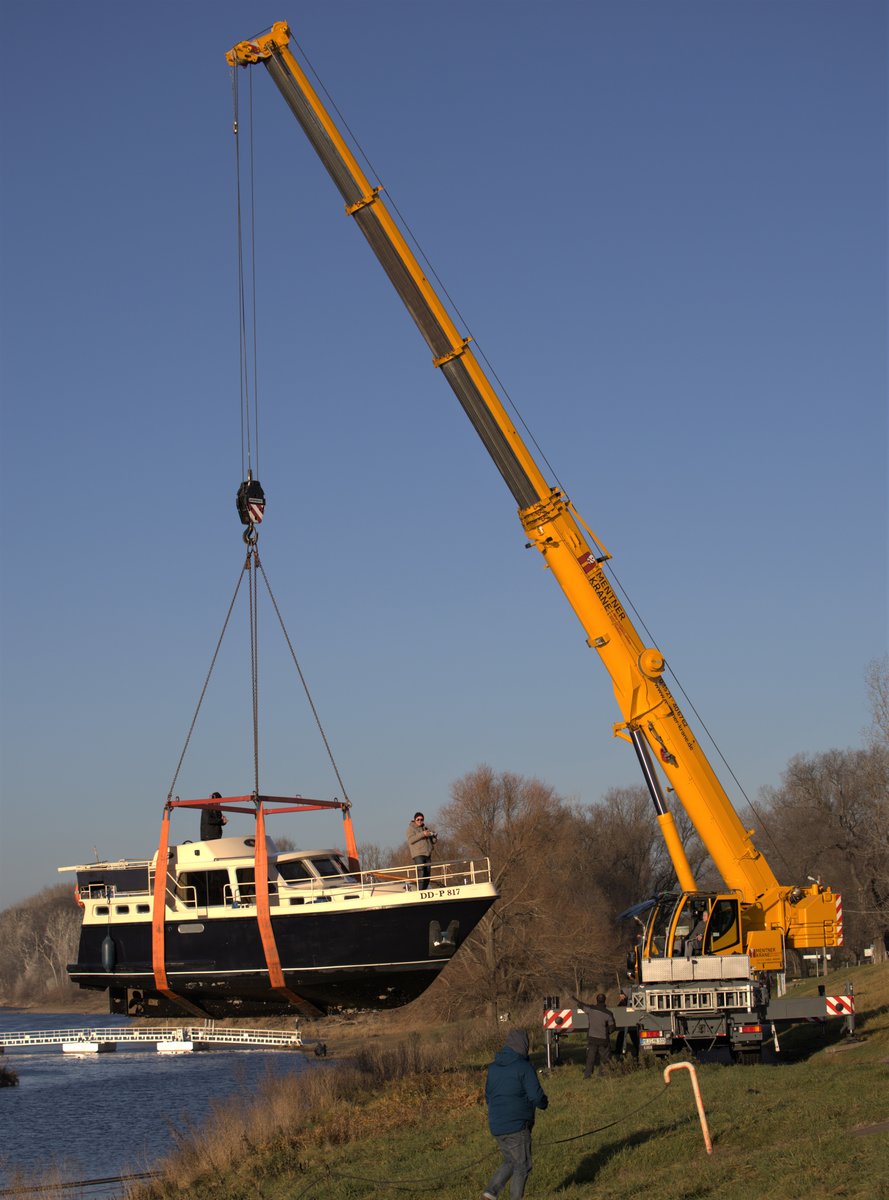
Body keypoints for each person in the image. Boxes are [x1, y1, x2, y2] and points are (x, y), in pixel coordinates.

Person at [482, 1027, 548, 1200]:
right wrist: (544, 1103)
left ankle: (489, 1194)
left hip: (496, 1125)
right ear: (524, 1045)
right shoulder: (524, 1067)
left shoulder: (493, 1067)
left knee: (511, 1161)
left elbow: (488, 1096)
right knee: (523, 1165)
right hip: (517, 1126)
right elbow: (536, 1096)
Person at [572, 991, 615, 1077]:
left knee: (590, 1058)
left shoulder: (590, 1009)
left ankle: (587, 1075)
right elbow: (612, 1028)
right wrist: (607, 1032)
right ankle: (603, 1074)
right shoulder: (608, 1013)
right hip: (603, 1040)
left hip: (592, 1039)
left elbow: (581, 1005)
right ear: (605, 1000)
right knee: (604, 1058)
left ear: (597, 1000)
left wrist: (574, 999)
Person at [405, 811, 436, 890]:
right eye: (418, 819)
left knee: (428, 873)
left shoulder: (425, 828)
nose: (420, 821)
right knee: (421, 872)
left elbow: (432, 842)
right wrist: (423, 834)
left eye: (421, 819)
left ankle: (424, 890)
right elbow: (411, 840)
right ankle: (421, 891)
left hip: (427, 854)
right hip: (418, 854)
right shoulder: (410, 829)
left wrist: (434, 836)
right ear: (414, 820)